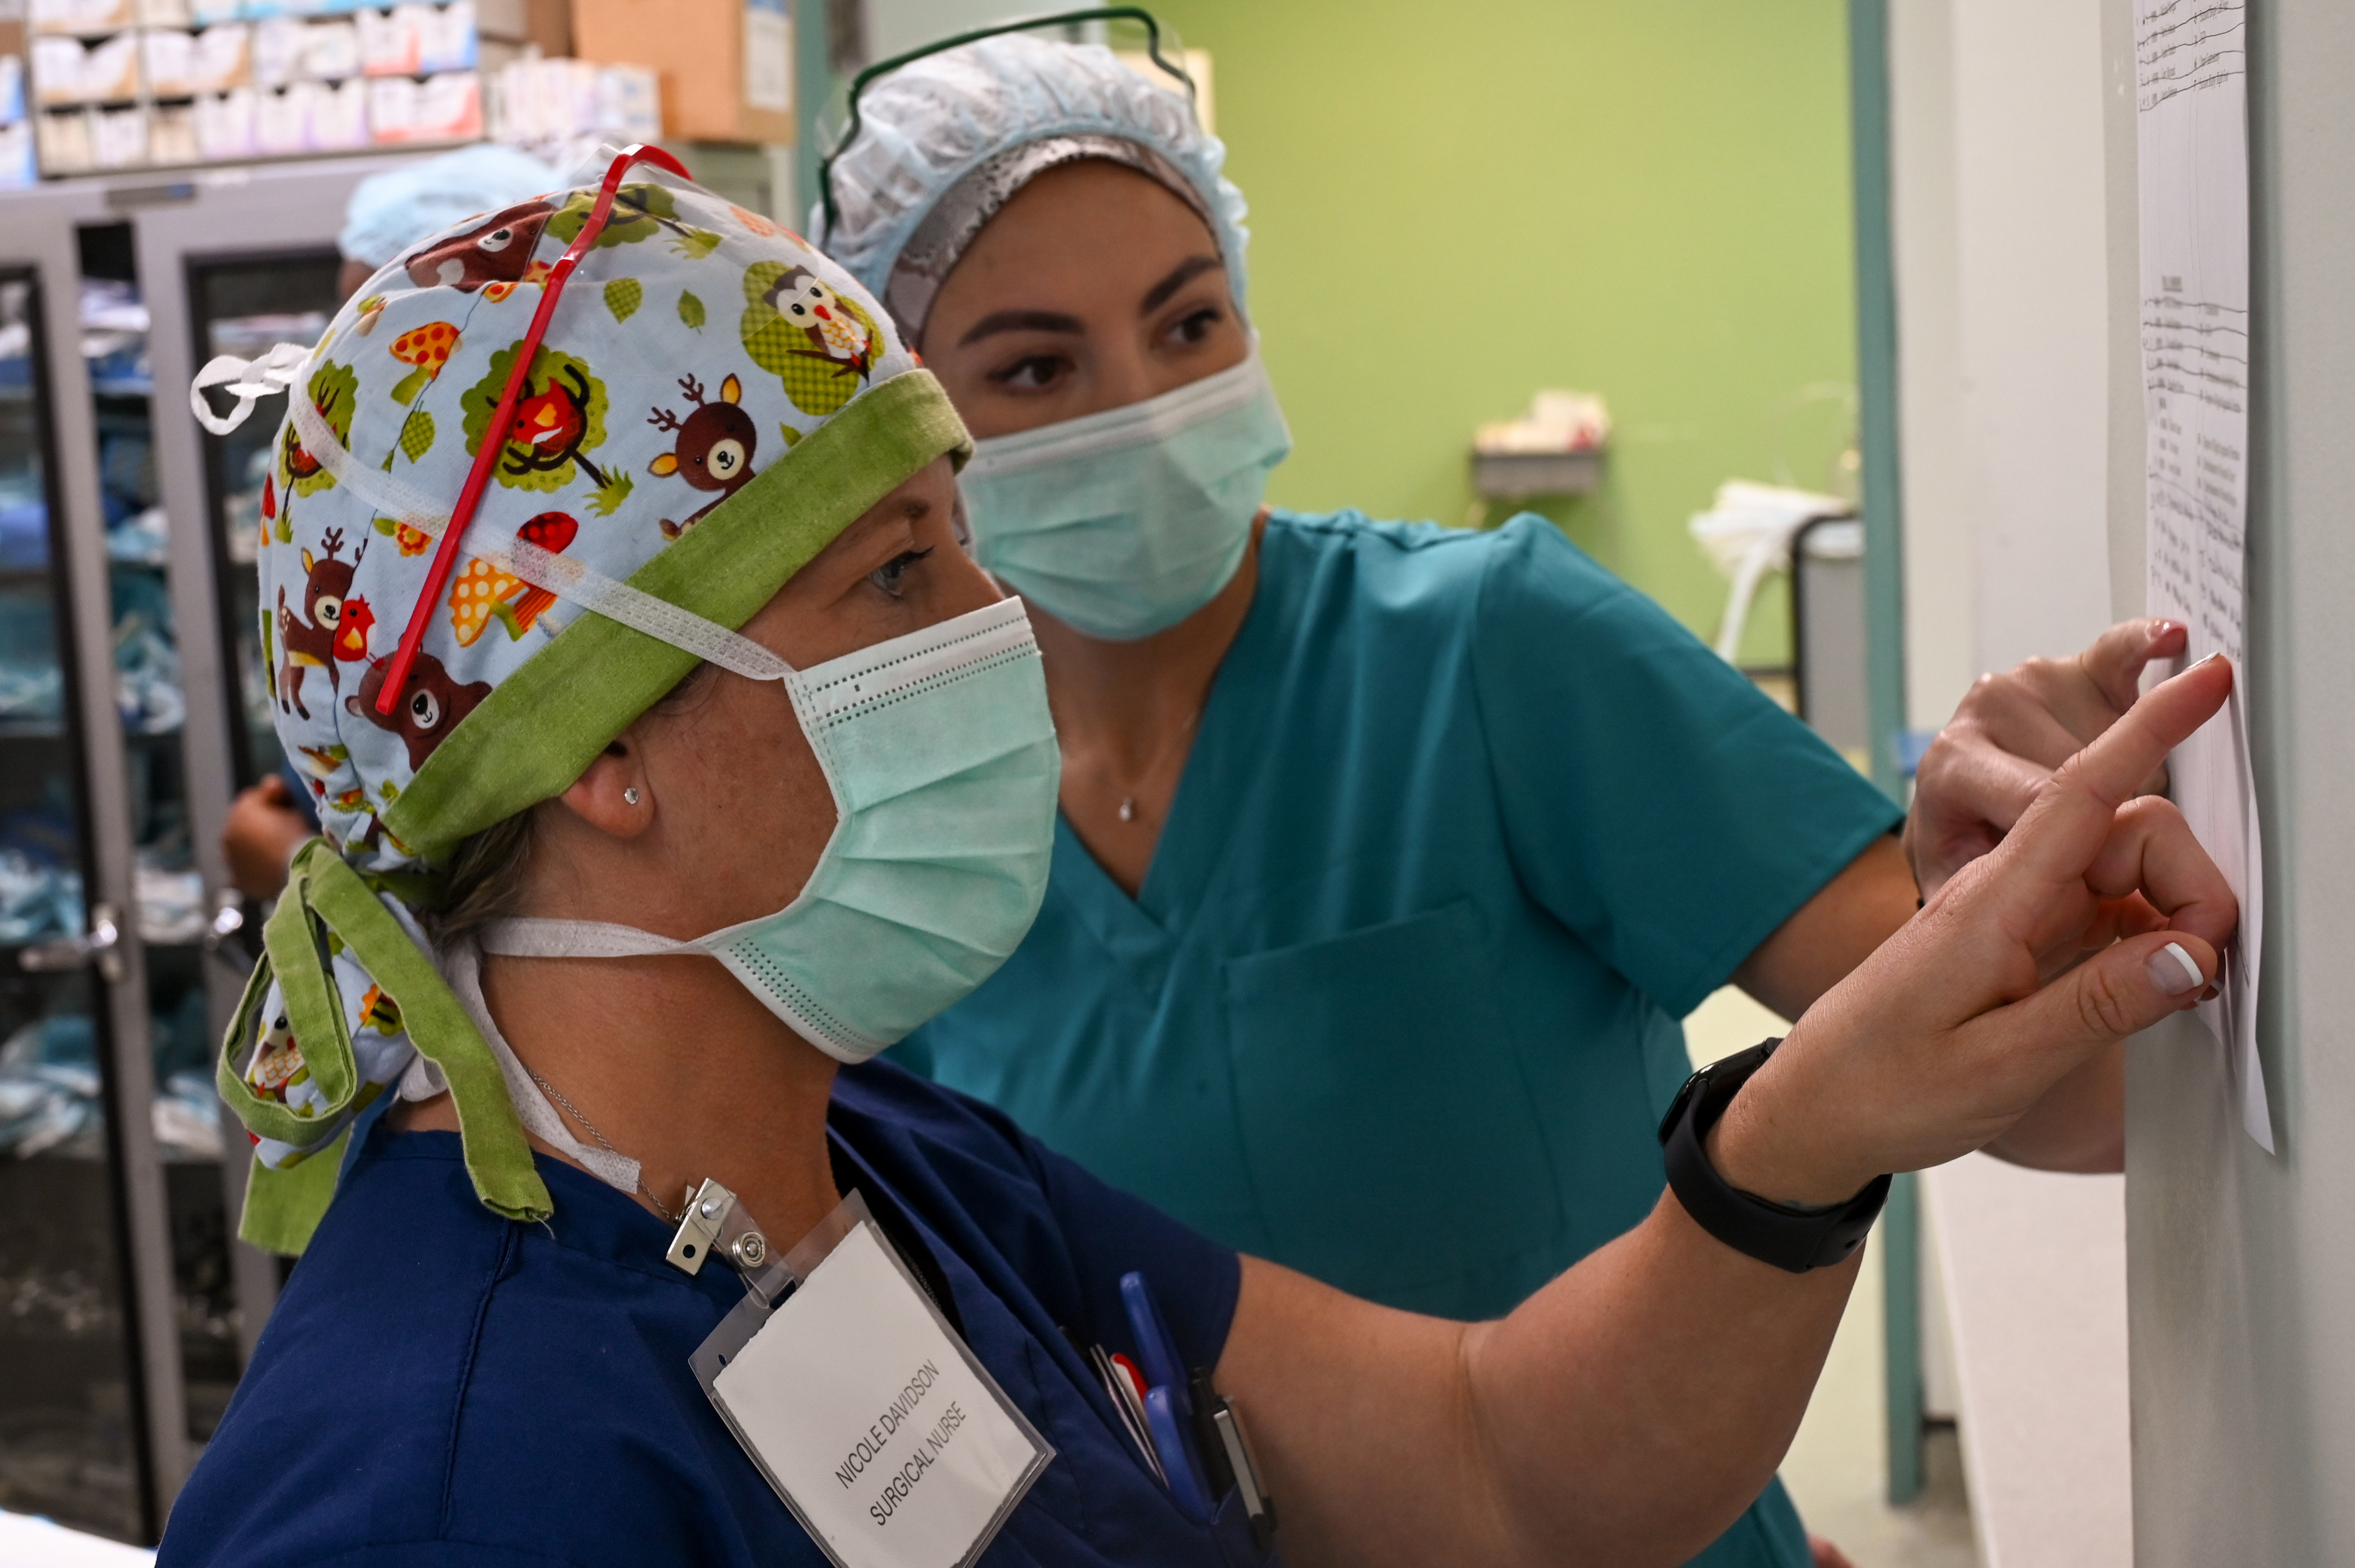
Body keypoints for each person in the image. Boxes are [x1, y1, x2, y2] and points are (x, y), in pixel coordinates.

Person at [159, 149, 2237, 1568]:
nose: (992, 629)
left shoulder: (894, 1171)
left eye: (963, 537)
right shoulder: (435, 1476)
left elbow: (1490, 1458)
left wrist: (1806, 1127)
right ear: (600, 748)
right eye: (900, 574)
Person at [812, 35, 2180, 1564]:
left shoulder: (1489, 649)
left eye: (1187, 321)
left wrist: (2049, 883)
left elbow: (2044, 1083)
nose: (1140, 405)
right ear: (909, 416)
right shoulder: (905, 820)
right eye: (1034, 367)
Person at [220, 142, 564, 902]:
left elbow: (514, 926)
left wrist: (295, 876)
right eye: (345, 336)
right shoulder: (391, 540)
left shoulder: (555, 585)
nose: (352, 377)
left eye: (389, 340)